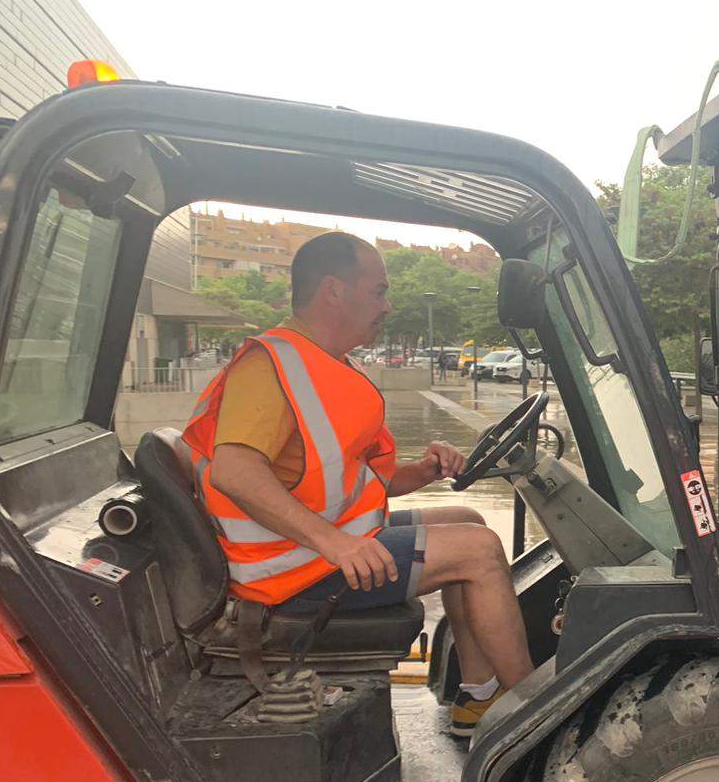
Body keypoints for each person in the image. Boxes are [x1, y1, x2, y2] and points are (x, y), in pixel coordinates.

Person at [183, 231, 533, 738]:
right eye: (378, 292)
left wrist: (423, 471)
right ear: (333, 291)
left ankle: (478, 699)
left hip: (313, 547)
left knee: (470, 520)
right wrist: (336, 543)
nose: (387, 305)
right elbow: (234, 472)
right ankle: (537, 714)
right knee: (477, 551)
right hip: (288, 570)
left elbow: (348, 480)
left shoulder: (321, 365)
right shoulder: (271, 366)